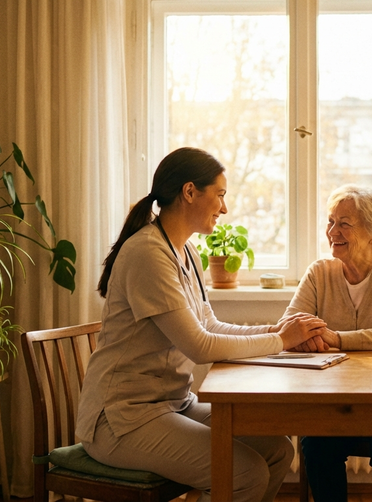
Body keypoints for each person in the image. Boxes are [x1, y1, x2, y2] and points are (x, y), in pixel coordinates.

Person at [77, 147, 327, 502]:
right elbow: (201, 346)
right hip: (121, 419)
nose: (224, 208)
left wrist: (278, 331)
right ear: (190, 191)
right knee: (246, 474)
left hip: (173, 403)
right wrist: (282, 340)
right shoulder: (147, 253)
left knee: (278, 451)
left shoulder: (187, 252)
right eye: (220, 194)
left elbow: (209, 325)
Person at [283, 184, 372, 502]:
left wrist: (337, 338)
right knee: (315, 445)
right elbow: (290, 327)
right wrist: (305, 334)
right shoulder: (319, 272)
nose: (333, 231)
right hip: (332, 402)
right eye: (331, 221)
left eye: (344, 223)